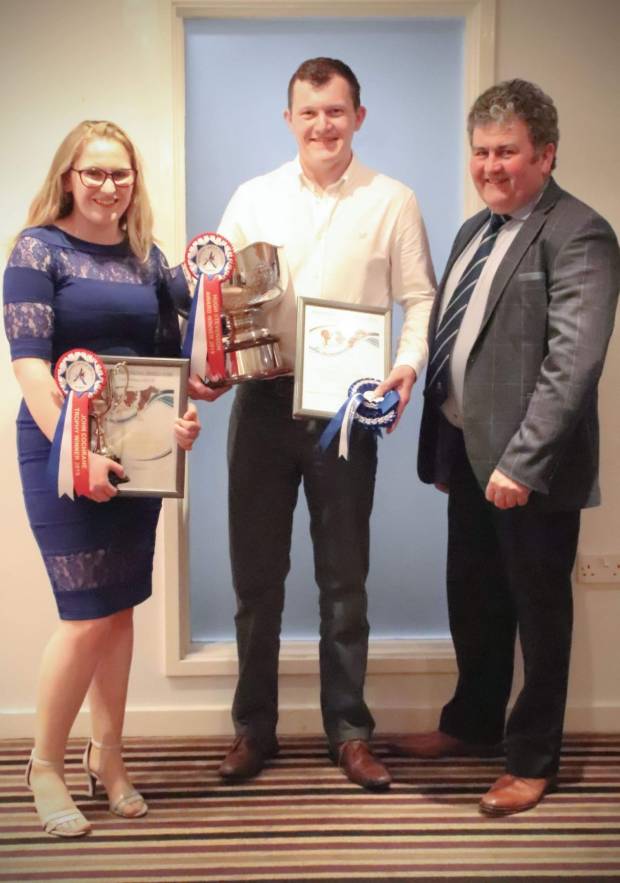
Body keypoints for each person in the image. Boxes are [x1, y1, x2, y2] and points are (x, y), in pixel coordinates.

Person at [190, 58, 436, 790]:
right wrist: (208, 361)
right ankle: (252, 729)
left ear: (358, 116)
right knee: (256, 580)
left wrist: (407, 366)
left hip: (348, 411)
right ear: (289, 118)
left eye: (336, 111)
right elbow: (215, 296)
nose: (323, 124)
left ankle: (351, 733)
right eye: (309, 112)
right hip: (262, 403)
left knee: (344, 579)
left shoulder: (393, 200)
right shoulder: (254, 197)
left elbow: (419, 299)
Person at [390, 80, 620, 814]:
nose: (491, 166)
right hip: (465, 453)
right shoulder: (472, 230)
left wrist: (521, 460)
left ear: (545, 154)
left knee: (538, 611)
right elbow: (458, 335)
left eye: (508, 152)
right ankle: (474, 723)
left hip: (531, 468)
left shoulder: (579, 232)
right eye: (481, 151)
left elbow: (573, 363)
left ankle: (532, 758)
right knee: (475, 599)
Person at [3, 120, 200, 837]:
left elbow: (175, 367)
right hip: (61, 451)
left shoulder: (147, 258)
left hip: (139, 457)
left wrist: (179, 423)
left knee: (118, 611)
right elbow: (30, 369)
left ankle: (108, 756)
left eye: (120, 174)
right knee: (84, 616)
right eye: (94, 172)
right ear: (67, 176)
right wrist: (77, 453)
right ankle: (45, 764)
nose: (108, 185)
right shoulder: (36, 249)